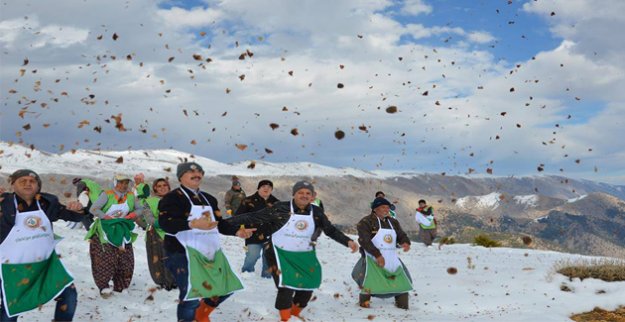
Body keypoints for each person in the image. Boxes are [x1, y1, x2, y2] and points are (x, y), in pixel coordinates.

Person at [222, 181, 359, 321]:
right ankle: (285, 318)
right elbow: (254, 216)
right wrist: (225, 223)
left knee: (309, 284)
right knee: (286, 285)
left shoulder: (316, 212)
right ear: (294, 194)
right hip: (278, 252)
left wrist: (348, 241)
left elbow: (330, 230)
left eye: (308, 193)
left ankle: (294, 313)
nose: (304, 196)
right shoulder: (281, 207)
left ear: (312, 196)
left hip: (304, 254)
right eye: (300, 192)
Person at [158, 162, 253, 322]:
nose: (197, 174)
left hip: (209, 251)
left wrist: (237, 232)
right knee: (190, 295)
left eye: (199, 172)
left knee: (225, 287)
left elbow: (220, 223)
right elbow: (165, 223)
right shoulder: (171, 198)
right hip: (182, 252)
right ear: (181, 177)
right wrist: (191, 224)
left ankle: (200, 315)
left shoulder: (209, 199)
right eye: (191, 172)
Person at [0, 169, 84, 321]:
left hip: (45, 267)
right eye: (22, 181)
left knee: (69, 295)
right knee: (10, 311)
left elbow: (73, 216)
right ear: (13, 185)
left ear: (38, 186)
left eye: (32, 181)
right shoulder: (3, 204)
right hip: (13, 269)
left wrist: (78, 210)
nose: (28, 184)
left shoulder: (46, 203)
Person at [86, 174, 145, 298]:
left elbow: (140, 209)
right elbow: (94, 209)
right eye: (121, 183)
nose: (123, 186)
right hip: (105, 228)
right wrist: (106, 216)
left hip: (122, 228)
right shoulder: (106, 195)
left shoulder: (130, 196)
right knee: (104, 258)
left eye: (126, 183)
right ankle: (104, 286)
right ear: (115, 183)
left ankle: (121, 285)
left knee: (125, 258)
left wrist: (131, 215)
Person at [352, 197, 412, 309]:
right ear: (375, 209)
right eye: (383, 207)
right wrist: (377, 255)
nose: (386, 210)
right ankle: (363, 308)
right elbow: (364, 241)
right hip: (372, 258)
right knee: (369, 282)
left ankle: (403, 308)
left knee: (401, 283)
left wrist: (405, 242)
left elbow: (401, 235)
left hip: (391, 258)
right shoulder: (366, 222)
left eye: (388, 207)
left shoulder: (393, 222)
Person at [135, 176, 177, 290]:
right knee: (158, 257)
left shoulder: (177, 200)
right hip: (154, 233)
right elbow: (149, 219)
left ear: (169, 187)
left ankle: (175, 281)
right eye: (159, 186)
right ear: (155, 189)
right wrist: (165, 223)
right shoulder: (149, 202)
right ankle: (162, 282)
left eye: (165, 185)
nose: (162, 188)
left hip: (174, 233)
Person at [235, 179, 279, 278]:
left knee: (268, 258)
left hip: (271, 235)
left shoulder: (276, 203)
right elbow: (238, 217)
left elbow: (281, 219)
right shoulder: (248, 201)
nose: (266, 189)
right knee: (252, 256)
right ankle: (247, 274)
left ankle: (267, 277)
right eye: (263, 187)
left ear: (271, 190)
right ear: (258, 188)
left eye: (269, 187)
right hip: (253, 234)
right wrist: (239, 229)